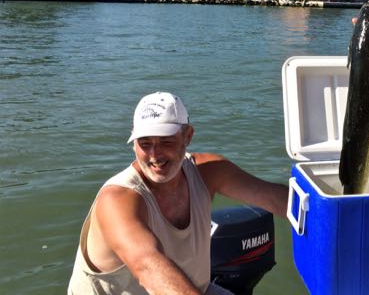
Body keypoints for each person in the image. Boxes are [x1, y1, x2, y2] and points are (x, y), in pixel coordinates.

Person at [68, 91, 289, 295]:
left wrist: (319, 214)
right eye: (145, 143)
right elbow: (147, 266)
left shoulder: (208, 172)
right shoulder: (117, 200)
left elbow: (275, 198)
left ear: (188, 135)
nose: (155, 155)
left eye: (166, 141)